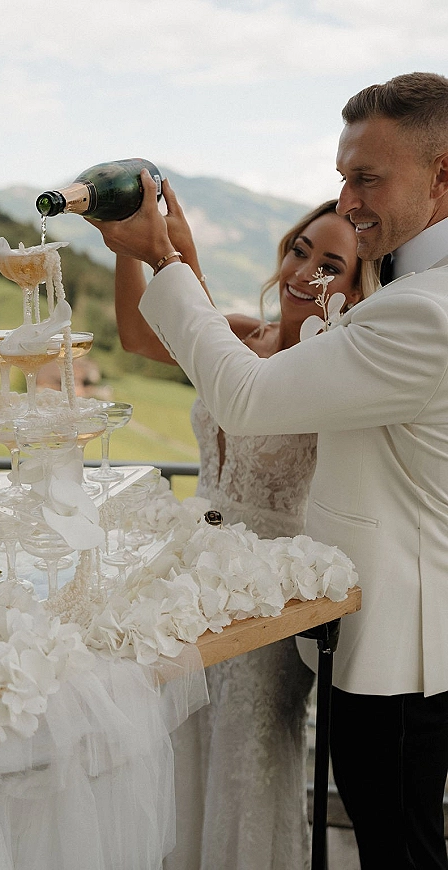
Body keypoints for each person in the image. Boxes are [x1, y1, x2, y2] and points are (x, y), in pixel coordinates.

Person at [87, 71, 448, 869]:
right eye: (341, 176)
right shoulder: (404, 284)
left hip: (400, 642)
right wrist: (168, 258)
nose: (349, 199)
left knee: (402, 846)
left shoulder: (422, 309)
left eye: (367, 177)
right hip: (341, 620)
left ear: (441, 173)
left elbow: (248, 399)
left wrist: (170, 266)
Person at [113, 197, 378, 870]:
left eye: (330, 265)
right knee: (189, 742)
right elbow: (147, 336)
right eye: (300, 251)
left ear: (356, 287)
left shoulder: (336, 371)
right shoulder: (241, 336)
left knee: (245, 759)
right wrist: (131, 246)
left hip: (271, 596)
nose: (304, 273)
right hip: (195, 586)